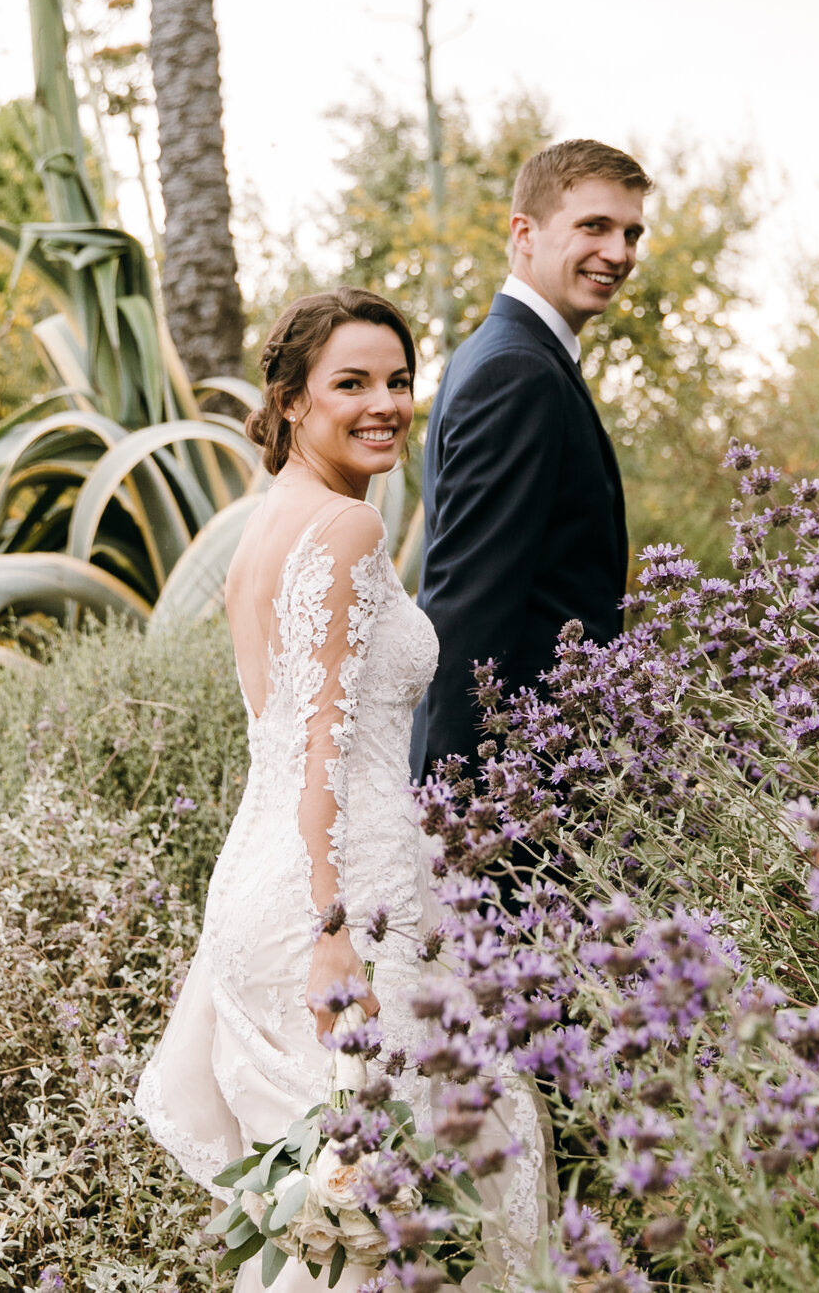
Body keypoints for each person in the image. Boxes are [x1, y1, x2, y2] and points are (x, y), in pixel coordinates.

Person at [134, 288, 552, 1290]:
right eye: (351, 382)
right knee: (390, 1205)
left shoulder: (261, 529)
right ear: (289, 403)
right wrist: (333, 928)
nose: (385, 403)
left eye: (399, 381)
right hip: (336, 901)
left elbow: (278, 735)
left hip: (264, 882)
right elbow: (316, 739)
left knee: (335, 1217)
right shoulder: (349, 534)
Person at [411, 139, 650, 785]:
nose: (620, 252)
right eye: (593, 226)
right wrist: (457, 796)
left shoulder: (496, 353)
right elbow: (469, 598)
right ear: (525, 232)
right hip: (519, 791)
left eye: (631, 232)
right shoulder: (518, 371)